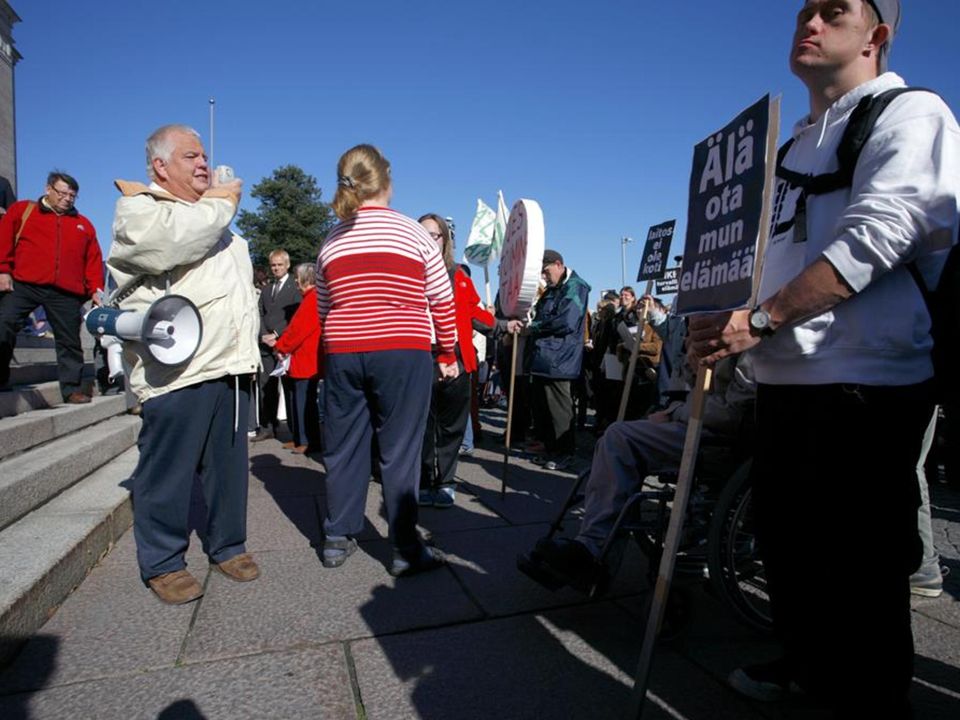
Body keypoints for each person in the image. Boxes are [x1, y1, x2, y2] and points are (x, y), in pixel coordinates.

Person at [687, 2, 960, 715]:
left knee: (859, 578)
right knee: (791, 556)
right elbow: (769, 261)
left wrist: (762, 318)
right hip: (785, 383)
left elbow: (880, 235)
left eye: (833, 10)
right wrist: (723, 321)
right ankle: (805, 666)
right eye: (804, 9)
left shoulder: (910, 112)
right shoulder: (791, 144)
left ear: (876, 36)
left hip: (865, 386)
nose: (809, 20)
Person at [108, 124, 261, 604]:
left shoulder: (220, 223)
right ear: (160, 165)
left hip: (230, 365)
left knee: (228, 468)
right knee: (167, 471)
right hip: (178, 370)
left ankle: (227, 544)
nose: (204, 164)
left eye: (205, 156)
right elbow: (170, 245)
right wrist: (220, 203)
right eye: (192, 156)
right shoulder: (141, 209)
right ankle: (163, 561)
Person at [317, 144, 457, 575]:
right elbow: (442, 298)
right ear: (387, 181)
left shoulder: (333, 237)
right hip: (402, 347)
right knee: (400, 449)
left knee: (344, 446)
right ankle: (403, 548)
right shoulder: (411, 233)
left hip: (344, 348)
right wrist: (447, 349)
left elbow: (324, 306)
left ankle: (338, 537)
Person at [529, 353, 754, 586]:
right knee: (617, 438)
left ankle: (594, 549)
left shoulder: (747, 341)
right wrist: (692, 363)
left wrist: (674, 413)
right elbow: (681, 389)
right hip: (690, 420)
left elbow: (735, 413)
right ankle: (591, 544)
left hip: (718, 435)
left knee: (619, 438)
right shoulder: (703, 333)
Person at [0, 171, 103, 402]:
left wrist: (96, 289)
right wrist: (3, 270)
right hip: (25, 283)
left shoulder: (83, 224)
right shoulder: (23, 211)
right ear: (48, 189)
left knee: (70, 340)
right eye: (62, 193)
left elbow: (94, 260)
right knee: (4, 322)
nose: (67, 199)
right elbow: (4, 239)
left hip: (66, 291)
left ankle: (72, 389)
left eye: (72, 195)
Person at [417, 217, 494, 508]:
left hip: (458, 360)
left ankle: (446, 482)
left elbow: (475, 311)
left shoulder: (458, 274)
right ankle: (424, 481)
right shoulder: (408, 273)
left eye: (436, 235)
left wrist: (503, 323)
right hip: (421, 357)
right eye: (424, 234)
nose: (430, 240)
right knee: (423, 426)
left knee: (451, 428)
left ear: (445, 240)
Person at [508, 249, 590, 471]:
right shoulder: (553, 289)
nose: (544, 277)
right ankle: (550, 448)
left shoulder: (575, 287)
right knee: (543, 408)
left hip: (560, 360)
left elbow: (567, 321)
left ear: (558, 264)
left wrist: (533, 327)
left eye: (546, 272)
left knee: (559, 409)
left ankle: (564, 452)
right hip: (543, 358)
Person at [273, 263, 323, 454]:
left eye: (298, 277)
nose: (295, 281)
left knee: (304, 402)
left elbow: (298, 330)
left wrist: (282, 346)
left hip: (306, 359)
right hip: (301, 358)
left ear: (306, 279)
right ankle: (299, 437)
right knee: (298, 399)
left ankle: (308, 440)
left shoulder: (313, 299)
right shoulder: (310, 298)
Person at [252, 249, 301, 441]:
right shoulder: (266, 289)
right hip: (266, 346)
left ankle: (294, 430)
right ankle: (267, 426)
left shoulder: (295, 287)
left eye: (280, 264)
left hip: (286, 345)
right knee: (267, 388)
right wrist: (264, 334)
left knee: (289, 389)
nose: (276, 268)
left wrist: (277, 334)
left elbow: (295, 314)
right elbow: (260, 313)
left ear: (287, 265)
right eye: (273, 265)